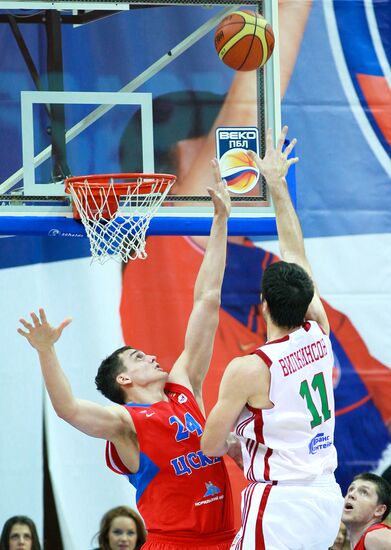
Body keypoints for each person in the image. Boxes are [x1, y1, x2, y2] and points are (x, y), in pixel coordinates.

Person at [18, 161, 236, 549]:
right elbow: (68, 409)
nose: (151, 356)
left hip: (224, 538)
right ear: (124, 380)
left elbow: (207, 301)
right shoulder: (125, 423)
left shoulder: (184, 389)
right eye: (137, 357)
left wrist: (220, 222)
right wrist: (46, 350)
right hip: (173, 542)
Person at [201, 125, 344, 549]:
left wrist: (233, 438)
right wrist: (278, 185)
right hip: (324, 494)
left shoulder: (250, 367)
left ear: (262, 303)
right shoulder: (319, 332)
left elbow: (211, 444)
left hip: (281, 502)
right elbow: (296, 254)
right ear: (304, 300)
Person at [342, 473, 391, 550]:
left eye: (364, 492)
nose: (351, 494)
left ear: (379, 510)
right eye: (351, 489)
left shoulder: (375, 536)